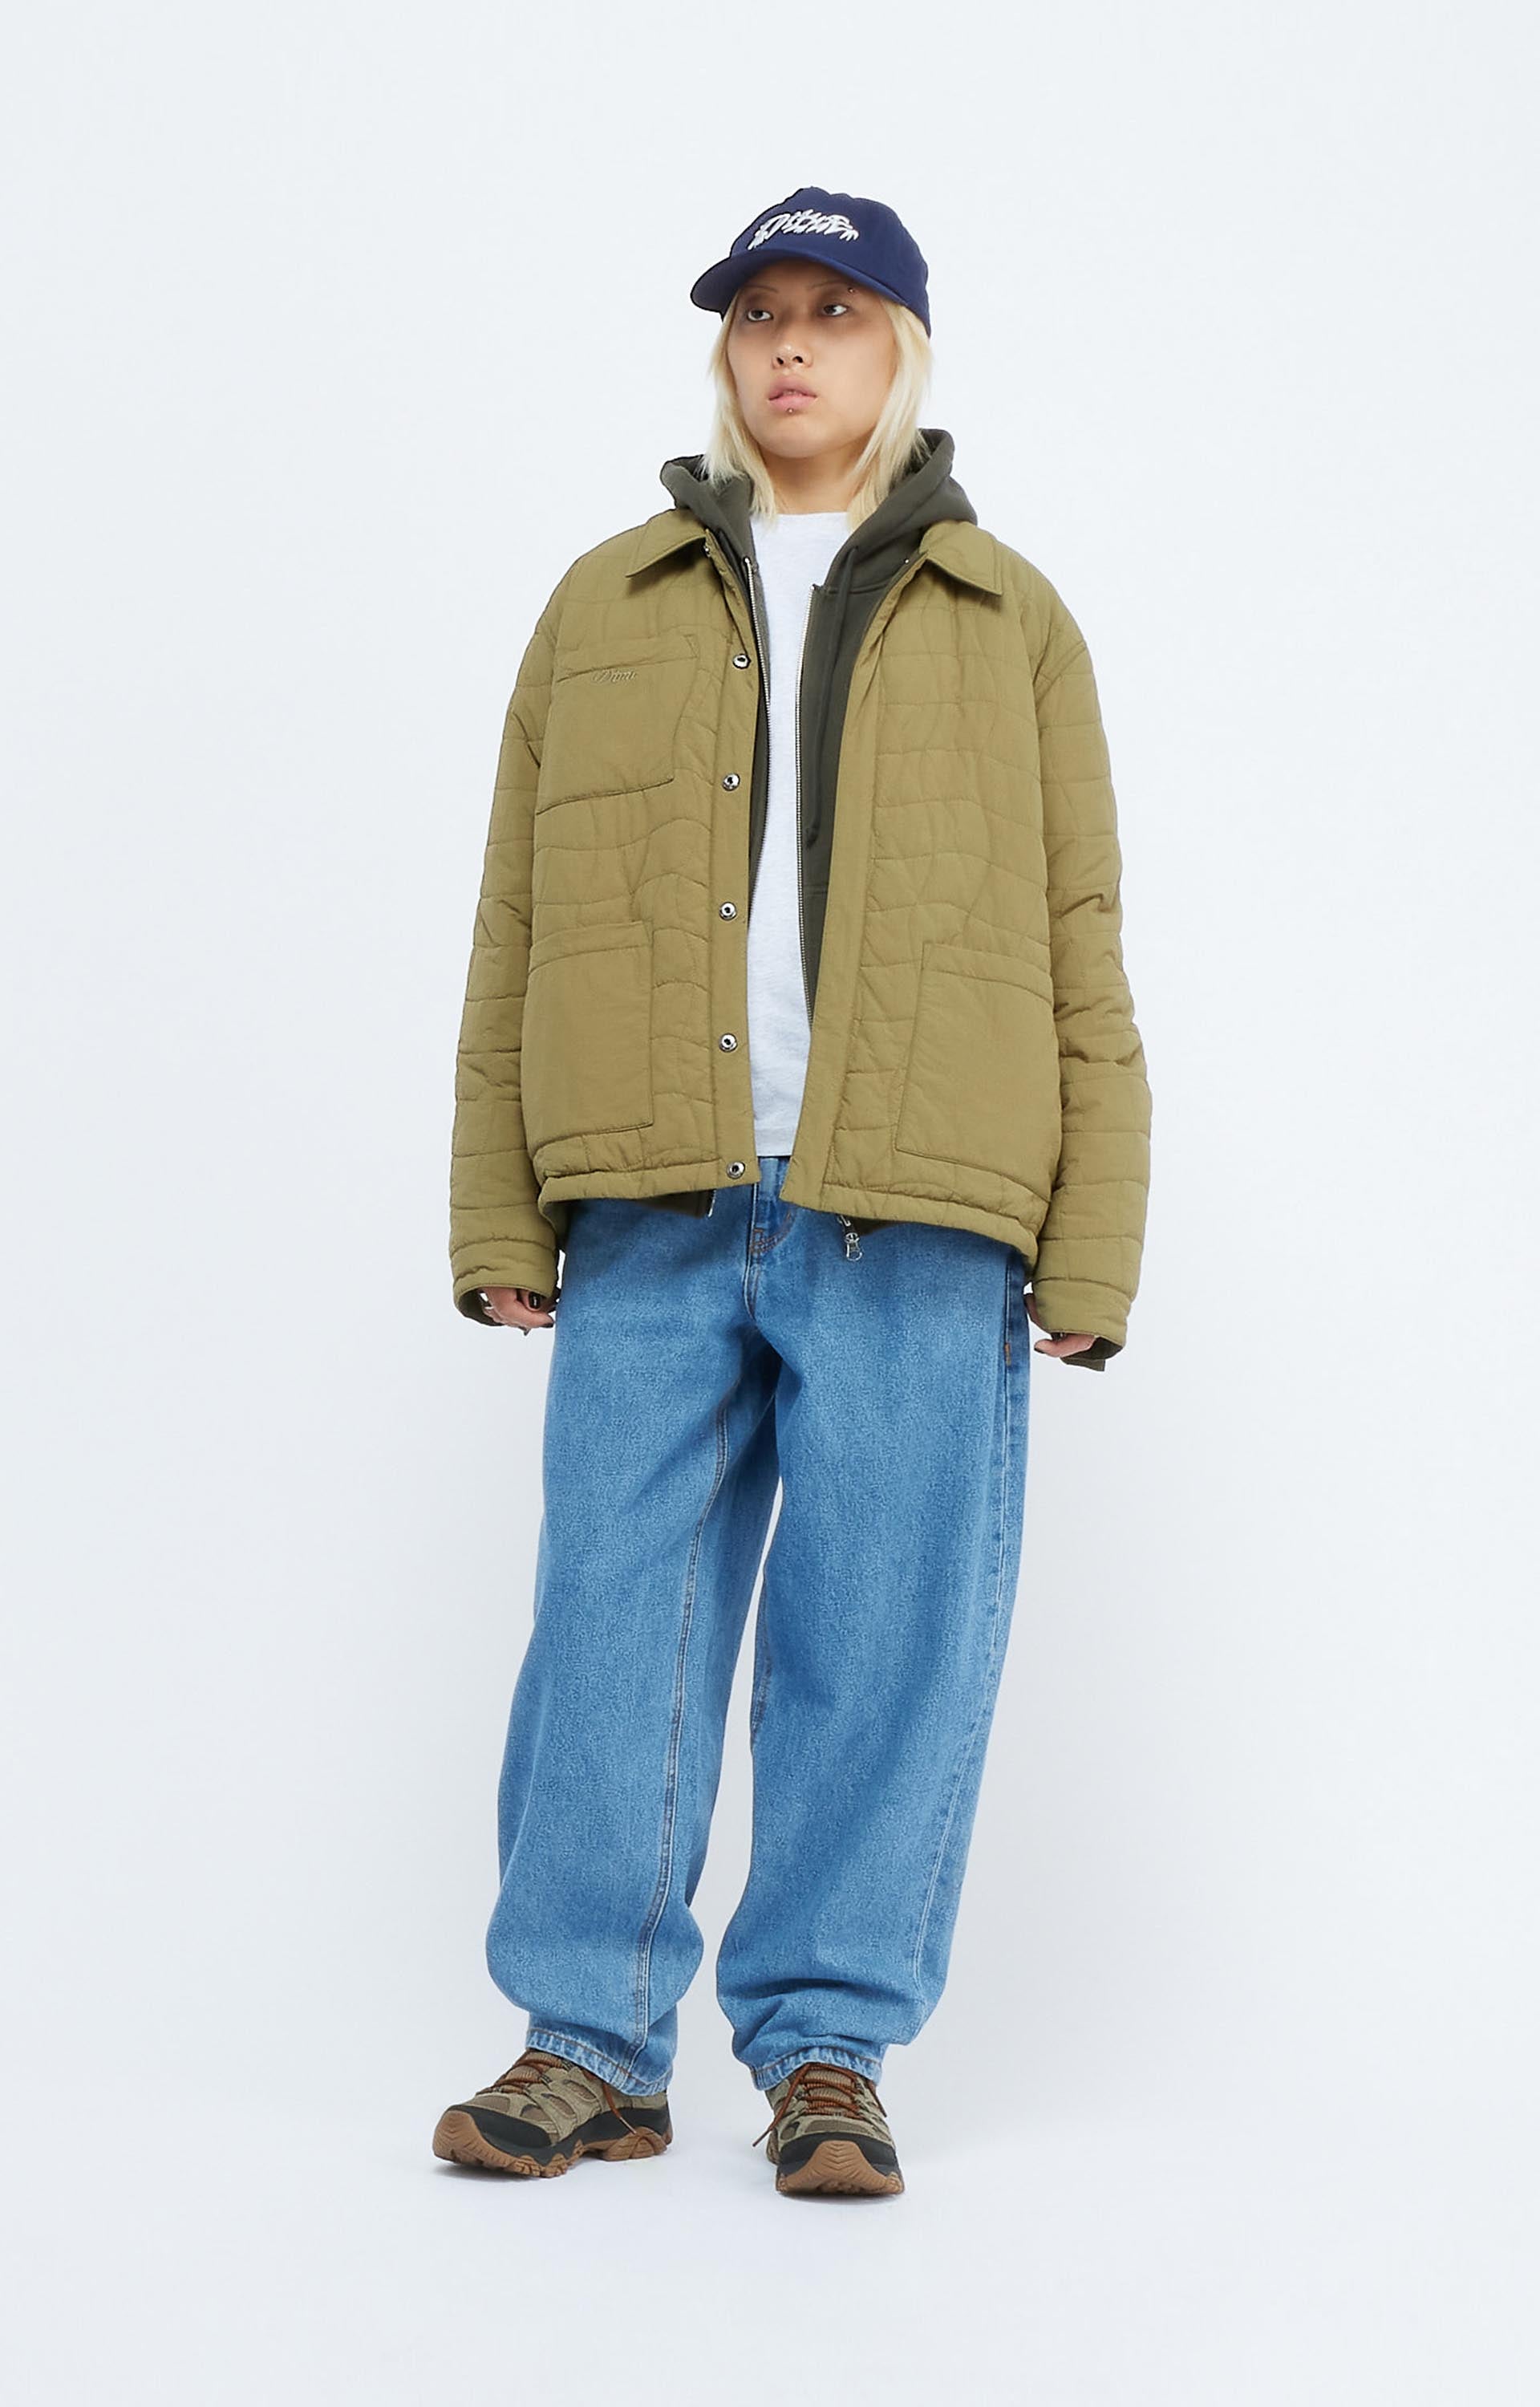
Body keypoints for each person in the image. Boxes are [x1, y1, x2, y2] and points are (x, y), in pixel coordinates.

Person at [432, 186, 1152, 2199]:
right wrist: (496, 1209)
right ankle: (586, 2045)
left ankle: (829, 2050)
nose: (791, 345)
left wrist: (1092, 1241)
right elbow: (514, 920)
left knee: (883, 1635)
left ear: (900, 348)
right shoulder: (607, 603)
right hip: (650, 1193)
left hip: (918, 1200)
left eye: (834, 310)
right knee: (611, 1622)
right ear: (726, 353)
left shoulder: (1011, 616)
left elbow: (1080, 939)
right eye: (760, 313)